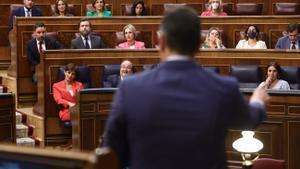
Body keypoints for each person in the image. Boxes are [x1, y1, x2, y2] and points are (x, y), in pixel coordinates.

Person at [103, 6, 269, 169]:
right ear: (198, 45)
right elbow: (249, 120)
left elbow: (111, 153)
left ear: (161, 43)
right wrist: (257, 101)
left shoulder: (130, 89)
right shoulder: (224, 87)